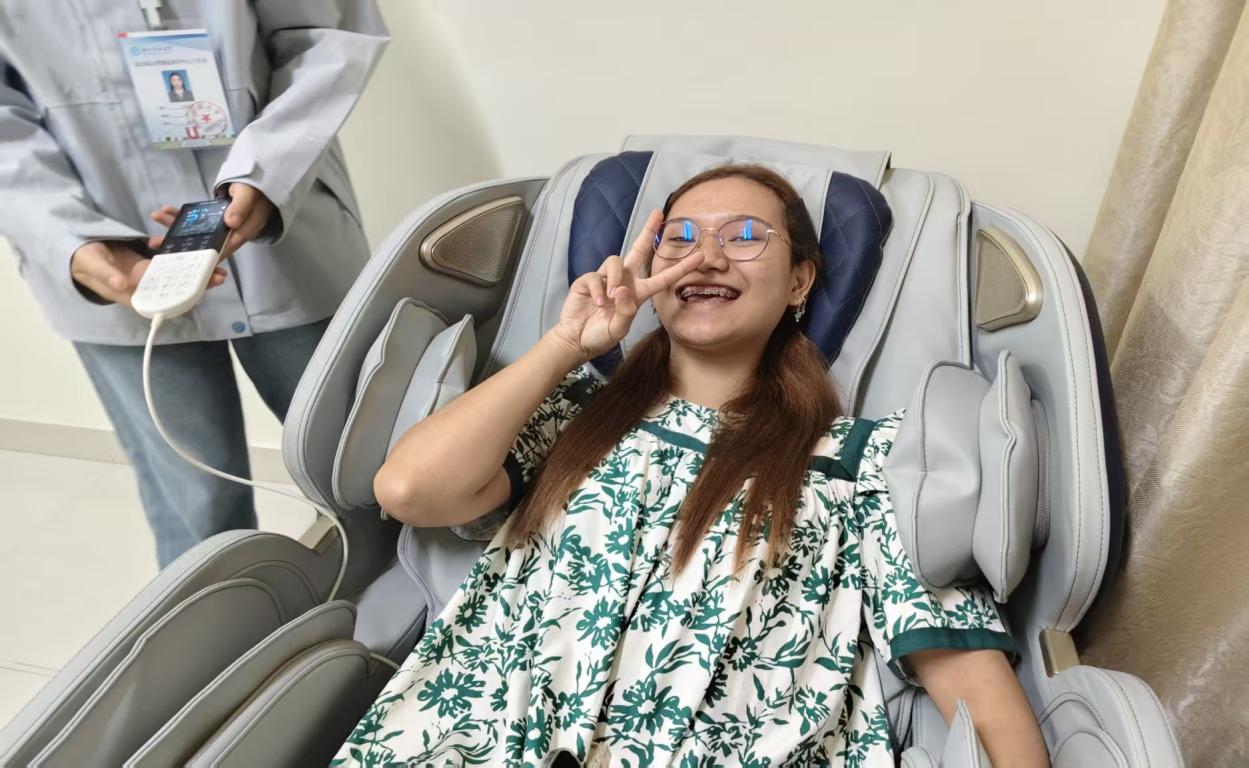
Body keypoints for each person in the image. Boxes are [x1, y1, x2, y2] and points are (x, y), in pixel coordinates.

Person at [334, 165, 1050, 766]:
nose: (705, 257)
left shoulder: (863, 467)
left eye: (744, 236)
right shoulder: (570, 414)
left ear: (799, 281)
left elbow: (974, 688)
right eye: (678, 239)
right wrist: (566, 346)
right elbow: (409, 490)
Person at [0, 1, 388, 567]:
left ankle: (431, 609)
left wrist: (269, 169)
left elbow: (330, 34)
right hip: (108, 257)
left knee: (367, 464)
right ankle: (227, 623)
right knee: (198, 505)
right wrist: (71, 240)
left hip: (283, 226)